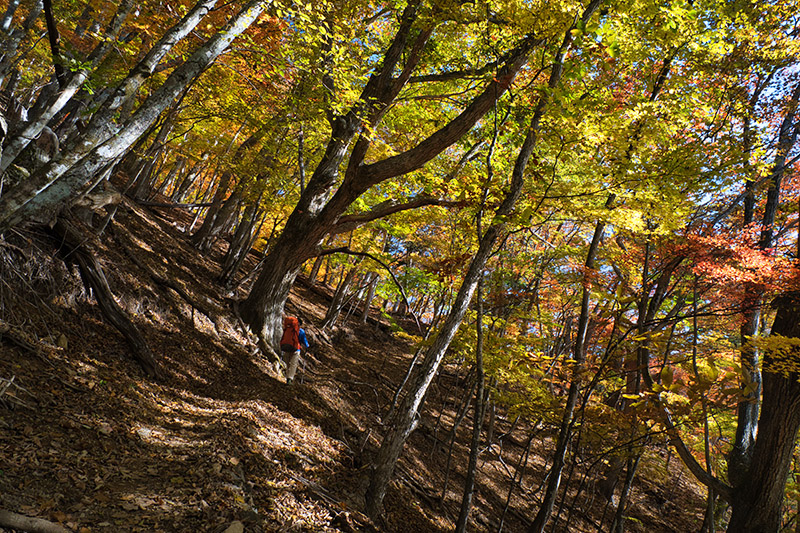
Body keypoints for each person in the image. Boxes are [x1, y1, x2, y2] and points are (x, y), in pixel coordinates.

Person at [280, 315, 309, 384]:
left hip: (287, 347)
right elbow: (304, 341)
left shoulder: (287, 328)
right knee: (293, 364)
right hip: (296, 349)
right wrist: (307, 346)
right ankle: (289, 379)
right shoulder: (301, 331)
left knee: (286, 362)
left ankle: (284, 375)